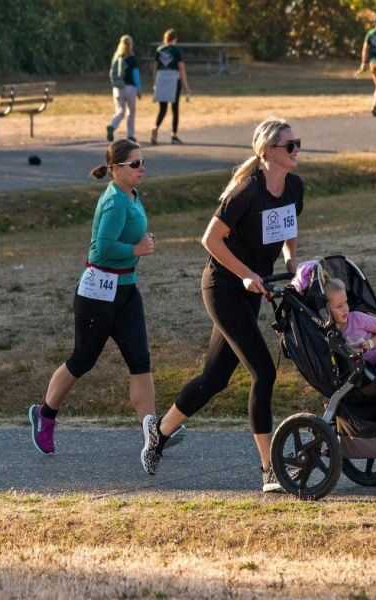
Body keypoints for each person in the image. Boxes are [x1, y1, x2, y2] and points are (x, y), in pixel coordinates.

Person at [141, 116, 303, 492]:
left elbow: (288, 226)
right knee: (264, 372)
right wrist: (245, 273)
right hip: (223, 287)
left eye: (298, 143)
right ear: (268, 152)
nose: (296, 150)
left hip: (253, 287)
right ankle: (269, 470)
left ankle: (160, 432)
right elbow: (210, 239)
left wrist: (291, 260)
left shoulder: (294, 186)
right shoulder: (246, 191)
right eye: (290, 145)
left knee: (215, 379)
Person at [28, 139, 159, 461]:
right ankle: (45, 415)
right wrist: (137, 249)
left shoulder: (132, 195)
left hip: (126, 289)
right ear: (115, 169)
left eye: (143, 162)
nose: (142, 168)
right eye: (135, 164)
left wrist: (139, 245)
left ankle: (153, 434)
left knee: (140, 361)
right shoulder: (114, 202)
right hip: (98, 294)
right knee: (82, 360)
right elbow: (102, 248)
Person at [151, 29, 191, 146]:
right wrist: (186, 86)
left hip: (161, 78)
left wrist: (155, 83)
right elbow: (181, 69)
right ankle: (174, 135)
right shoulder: (176, 50)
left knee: (162, 109)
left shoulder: (159, 50)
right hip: (173, 79)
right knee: (175, 109)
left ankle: (155, 127)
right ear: (175, 39)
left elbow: (155, 67)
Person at [106, 35, 142, 143]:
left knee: (120, 112)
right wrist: (139, 89)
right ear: (131, 45)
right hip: (130, 87)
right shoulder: (132, 58)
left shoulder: (116, 57)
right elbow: (135, 75)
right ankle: (130, 135)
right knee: (131, 112)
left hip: (117, 88)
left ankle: (112, 126)